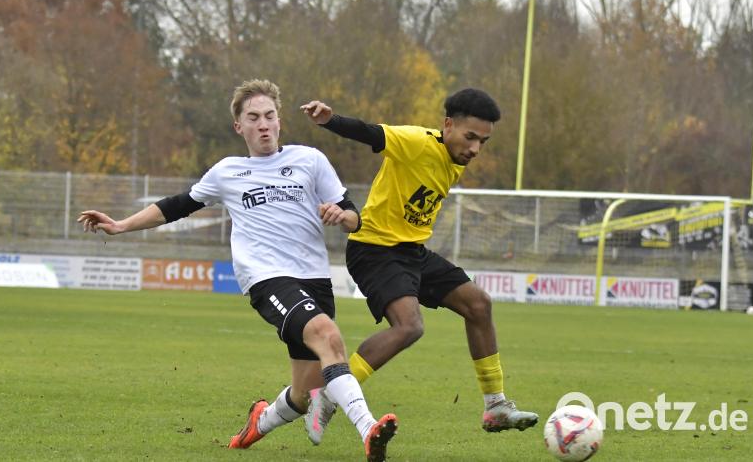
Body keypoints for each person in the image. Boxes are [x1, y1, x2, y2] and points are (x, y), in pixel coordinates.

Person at [77, 79, 398, 461]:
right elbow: (177, 205)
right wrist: (120, 225)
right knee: (328, 336)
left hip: (314, 279)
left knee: (304, 390)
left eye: (270, 116)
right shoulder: (228, 171)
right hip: (266, 278)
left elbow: (352, 215)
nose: (263, 124)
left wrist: (341, 215)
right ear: (239, 127)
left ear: (279, 122)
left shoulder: (309, 160)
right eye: (254, 118)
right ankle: (368, 430)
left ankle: (257, 424)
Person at [299, 89, 538, 444]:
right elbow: (370, 133)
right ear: (447, 125)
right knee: (409, 326)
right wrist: (330, 120)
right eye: (470, 137)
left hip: (411, 252)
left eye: (483, 142)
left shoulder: (456, 161)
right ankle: (331, 393)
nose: (475, 149)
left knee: (479, 304)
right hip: (374, 249)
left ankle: (495, 406)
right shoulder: (416, 142)